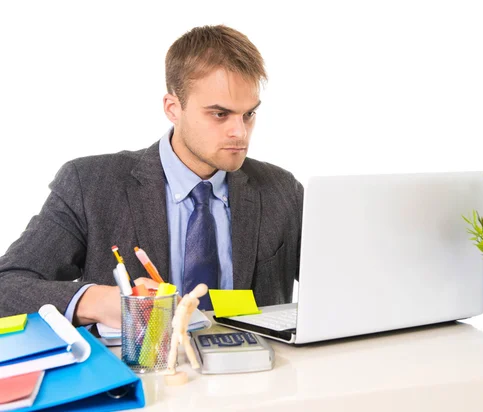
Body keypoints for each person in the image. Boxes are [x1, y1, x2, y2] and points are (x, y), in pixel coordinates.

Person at [0, 25, 303, 329]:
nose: (240, 132)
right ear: (173, 108)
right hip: (144, 370)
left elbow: (341, 283)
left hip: (258, 370)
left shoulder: (282, 189)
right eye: (220, 114)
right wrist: (97, 301)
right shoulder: (89, 185)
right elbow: (7, 287)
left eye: (248, 114)